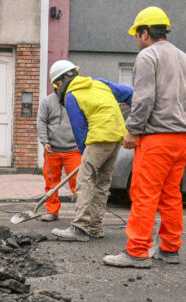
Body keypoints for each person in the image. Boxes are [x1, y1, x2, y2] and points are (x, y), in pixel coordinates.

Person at [103, 6, 186, 268]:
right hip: (182, 138)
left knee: (144, 195)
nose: (136, 41)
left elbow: (143, 99)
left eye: (136, 35)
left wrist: (133, 131)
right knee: (171, 195)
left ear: (145, 33)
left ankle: (136, 252)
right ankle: (169, 249)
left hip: (157, 139)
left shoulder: (147, 57)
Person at [48, 60, 133, 242]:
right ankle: (95, 227)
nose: (57, 88)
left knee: (85, 180)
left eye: (57, 83)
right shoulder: (101, 83)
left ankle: (80, 227)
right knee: (102, 182)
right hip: (117, 135)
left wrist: (84, 153)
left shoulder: (72, 95)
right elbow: (131, 94)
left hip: (99, 137)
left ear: (64, 79)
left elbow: (79, 130)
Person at [36, 82, 80, 222]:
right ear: (56, 86)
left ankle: (82, 214)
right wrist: (45, 141)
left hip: (73, 149)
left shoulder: (78, 99)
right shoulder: (47, 101)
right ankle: (52, 211)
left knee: (78, 183)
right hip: (52, 150)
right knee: (51, 182)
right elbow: (41, 121)